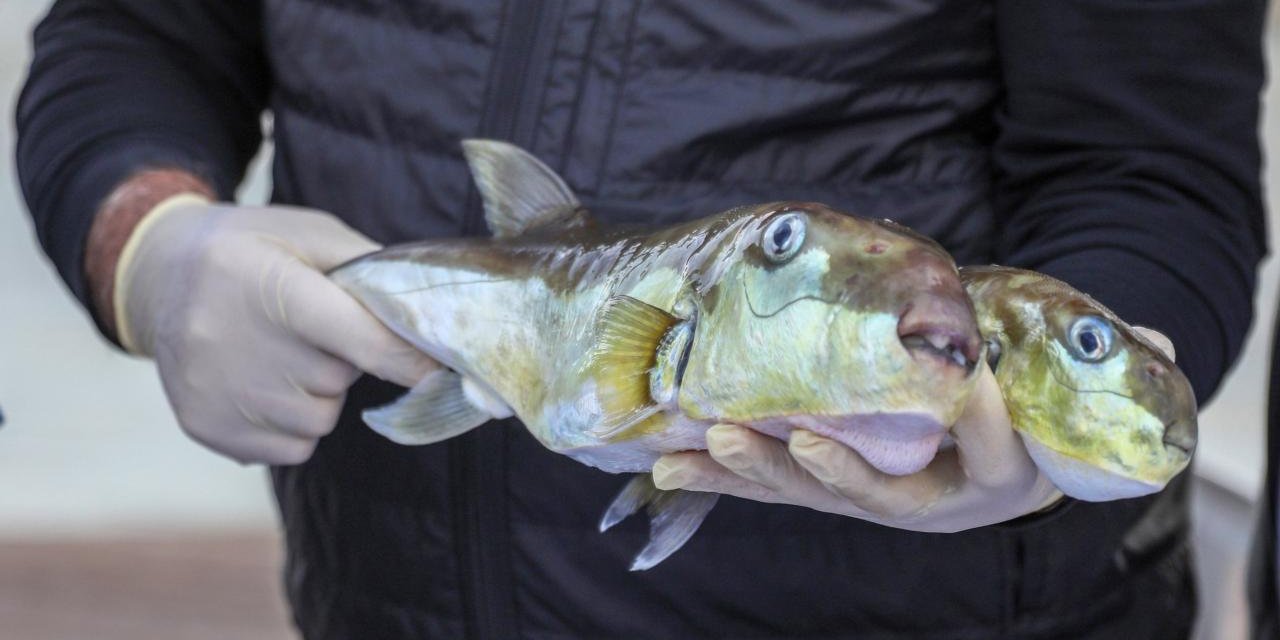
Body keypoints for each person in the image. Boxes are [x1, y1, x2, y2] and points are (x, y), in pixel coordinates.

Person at [16, 1, 1265, 638]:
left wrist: (1087, 382)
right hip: (380, 599)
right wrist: (150, 245)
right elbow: (134, 33)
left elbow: (1148, 166)